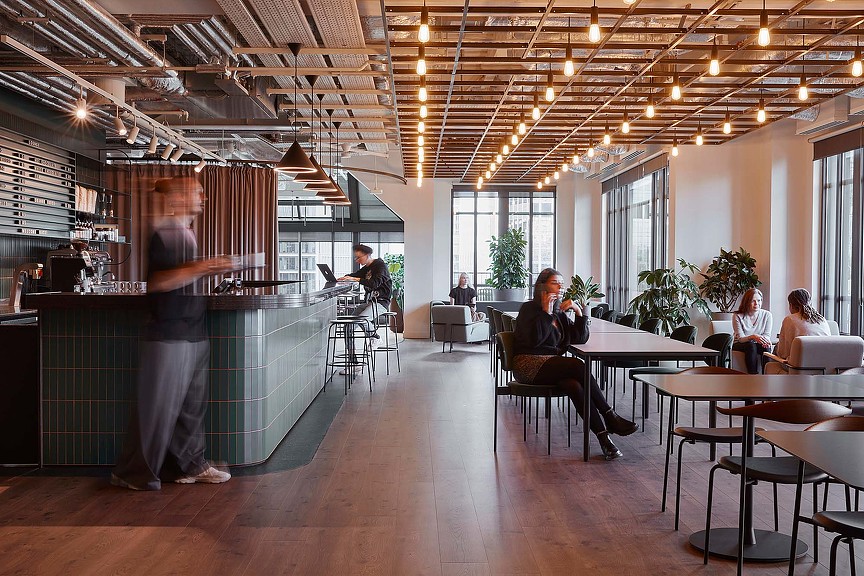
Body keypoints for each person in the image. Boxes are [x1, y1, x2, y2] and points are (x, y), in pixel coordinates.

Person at [112, 177, 234, 491]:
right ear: (178, 199)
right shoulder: (163, 233)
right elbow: (158, 282)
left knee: (190, 409)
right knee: (156, 409)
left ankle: (193, 465)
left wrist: (208, 268)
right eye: (197, 193)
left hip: (192, 329)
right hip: (167, 332)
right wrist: (205, 268)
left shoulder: (185, 233)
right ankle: (133, 473)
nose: (203, 197)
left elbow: (184, 275)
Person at [512, 268, 637, 460]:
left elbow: (579, 339)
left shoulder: (559, 314)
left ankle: (605, 441)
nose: (560, 287)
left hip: (551, 366)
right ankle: (610, 416)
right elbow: (534, 341)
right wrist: (545, 312)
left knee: (574, 385)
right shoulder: (529, 309)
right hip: (528, 364)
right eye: (555, 283)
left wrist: (579, 312)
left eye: (562, 284)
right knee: (578, 366)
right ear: (542, 286)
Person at [337, 244, 393, 372]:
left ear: (367, 255)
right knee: (348, 328)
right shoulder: (367, 268)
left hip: (381, 303)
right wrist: (345, 278)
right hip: (369, 302)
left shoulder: (380, 266)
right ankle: (354, 364)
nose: (357, 261)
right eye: (355, 258)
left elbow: (374, 283)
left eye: (358, 257)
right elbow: (355, 275)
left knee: (363, 319)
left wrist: (355, 278)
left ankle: (375, 337)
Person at [774, 288, 831, 359]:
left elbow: (783, 353)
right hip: (823, 364)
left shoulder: (790, 319)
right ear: (810, 303)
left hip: (799, 366)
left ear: (791, 305)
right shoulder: (821, 319)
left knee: (776, 347)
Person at [731, 288, 773, 374]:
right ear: (747, 302)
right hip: (740, 344)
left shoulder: (767, 315)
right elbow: (741, 338)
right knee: (751, 346)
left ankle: (768, 375)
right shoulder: (737, 316)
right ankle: (752, 375)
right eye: (753, 301)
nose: (756, 304)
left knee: (766, 346)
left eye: (759, 300)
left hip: (759, 343)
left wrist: (765, 341)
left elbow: (767, 335)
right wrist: (753, 336)